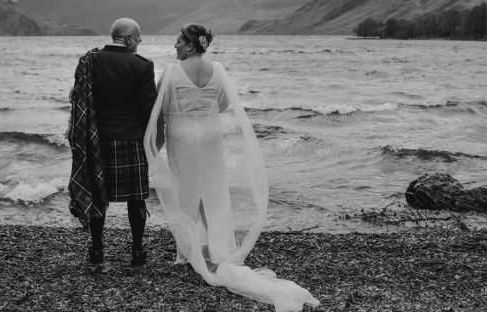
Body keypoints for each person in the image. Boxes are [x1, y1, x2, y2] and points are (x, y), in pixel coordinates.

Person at [143, 24, 320, 312]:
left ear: (190, 46)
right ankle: (216, 248)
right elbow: (224, 103)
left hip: (183, 135)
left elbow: (160, 109)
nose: (174, 46)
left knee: (186, 189)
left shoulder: (172, 72)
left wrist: (153, 147)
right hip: (211, 136)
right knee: (212, 189)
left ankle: (188, 253)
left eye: (178, 41)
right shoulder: (218, 70)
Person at [68, 17, 157, 266]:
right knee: (136, 199)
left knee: (98, 195)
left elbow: (81, 100)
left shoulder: (91, 61)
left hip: (97, 141)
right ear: (128, 38)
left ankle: (97, 250)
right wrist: (151, 141)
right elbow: (148, 109)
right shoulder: (142, 66)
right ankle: (138, 251)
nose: (139, 42)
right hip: (131, 140)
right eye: (138, 38)